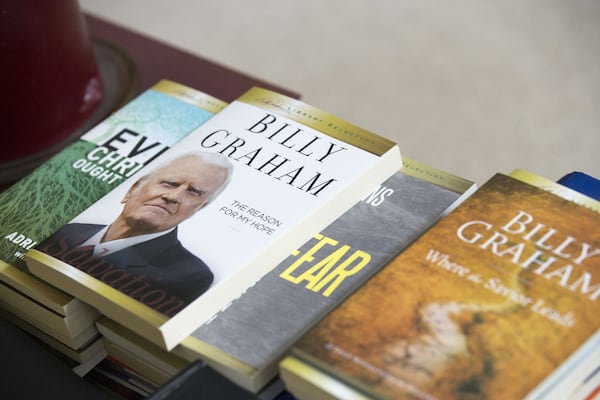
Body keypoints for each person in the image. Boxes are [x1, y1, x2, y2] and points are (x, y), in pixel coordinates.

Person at [38, 151, 234, 316]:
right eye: (170, 183)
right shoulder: (67, 229)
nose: (173, 197)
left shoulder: (190, 277)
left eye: (194, 192)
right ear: (132, 189)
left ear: (197, 209)